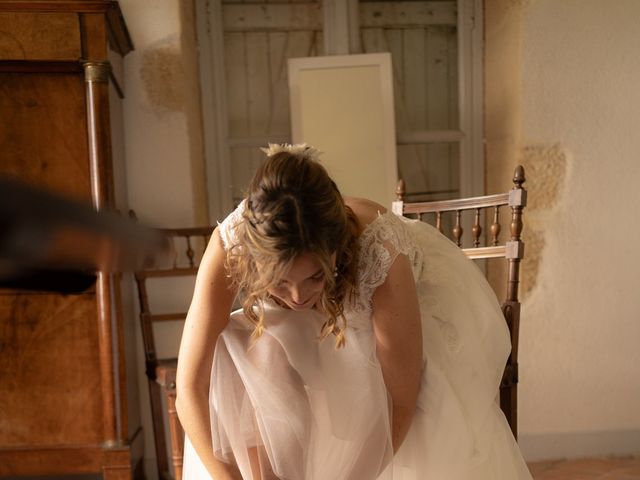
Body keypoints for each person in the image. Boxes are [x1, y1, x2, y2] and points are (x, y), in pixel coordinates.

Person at [176, 143, 533, 480]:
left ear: (337, 249)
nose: (299, 296)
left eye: (315, 276)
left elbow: (401, 401)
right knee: (239, 344)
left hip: (407, 323)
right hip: (323, 330)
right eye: (282, 283)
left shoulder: (378, 249)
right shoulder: (232, 245)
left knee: (426, 400)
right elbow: (190, 387)